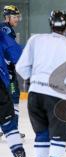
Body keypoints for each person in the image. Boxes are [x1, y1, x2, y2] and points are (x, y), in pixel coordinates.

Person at [16, 10, 66, 157]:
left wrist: (34, 80)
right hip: (56, 97)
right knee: (59, 138)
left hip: (34, 96)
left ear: (50, 24)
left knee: (42, 135)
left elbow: (20, 67)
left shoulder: (35, 39)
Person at [0, 5, 25, 138]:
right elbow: (10, 53)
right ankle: (12, 129)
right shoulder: (6, 30)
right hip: (7, 73)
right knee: (14, 98)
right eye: (15, 17)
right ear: (7, 17)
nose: (17, 19)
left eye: (17, 16)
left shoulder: (5, 29)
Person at [0, 30, 25, 157]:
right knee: (8, 122)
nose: (16, 19)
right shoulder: (3, 35)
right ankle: (18, 151)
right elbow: (19, 56)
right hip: (2, 84)